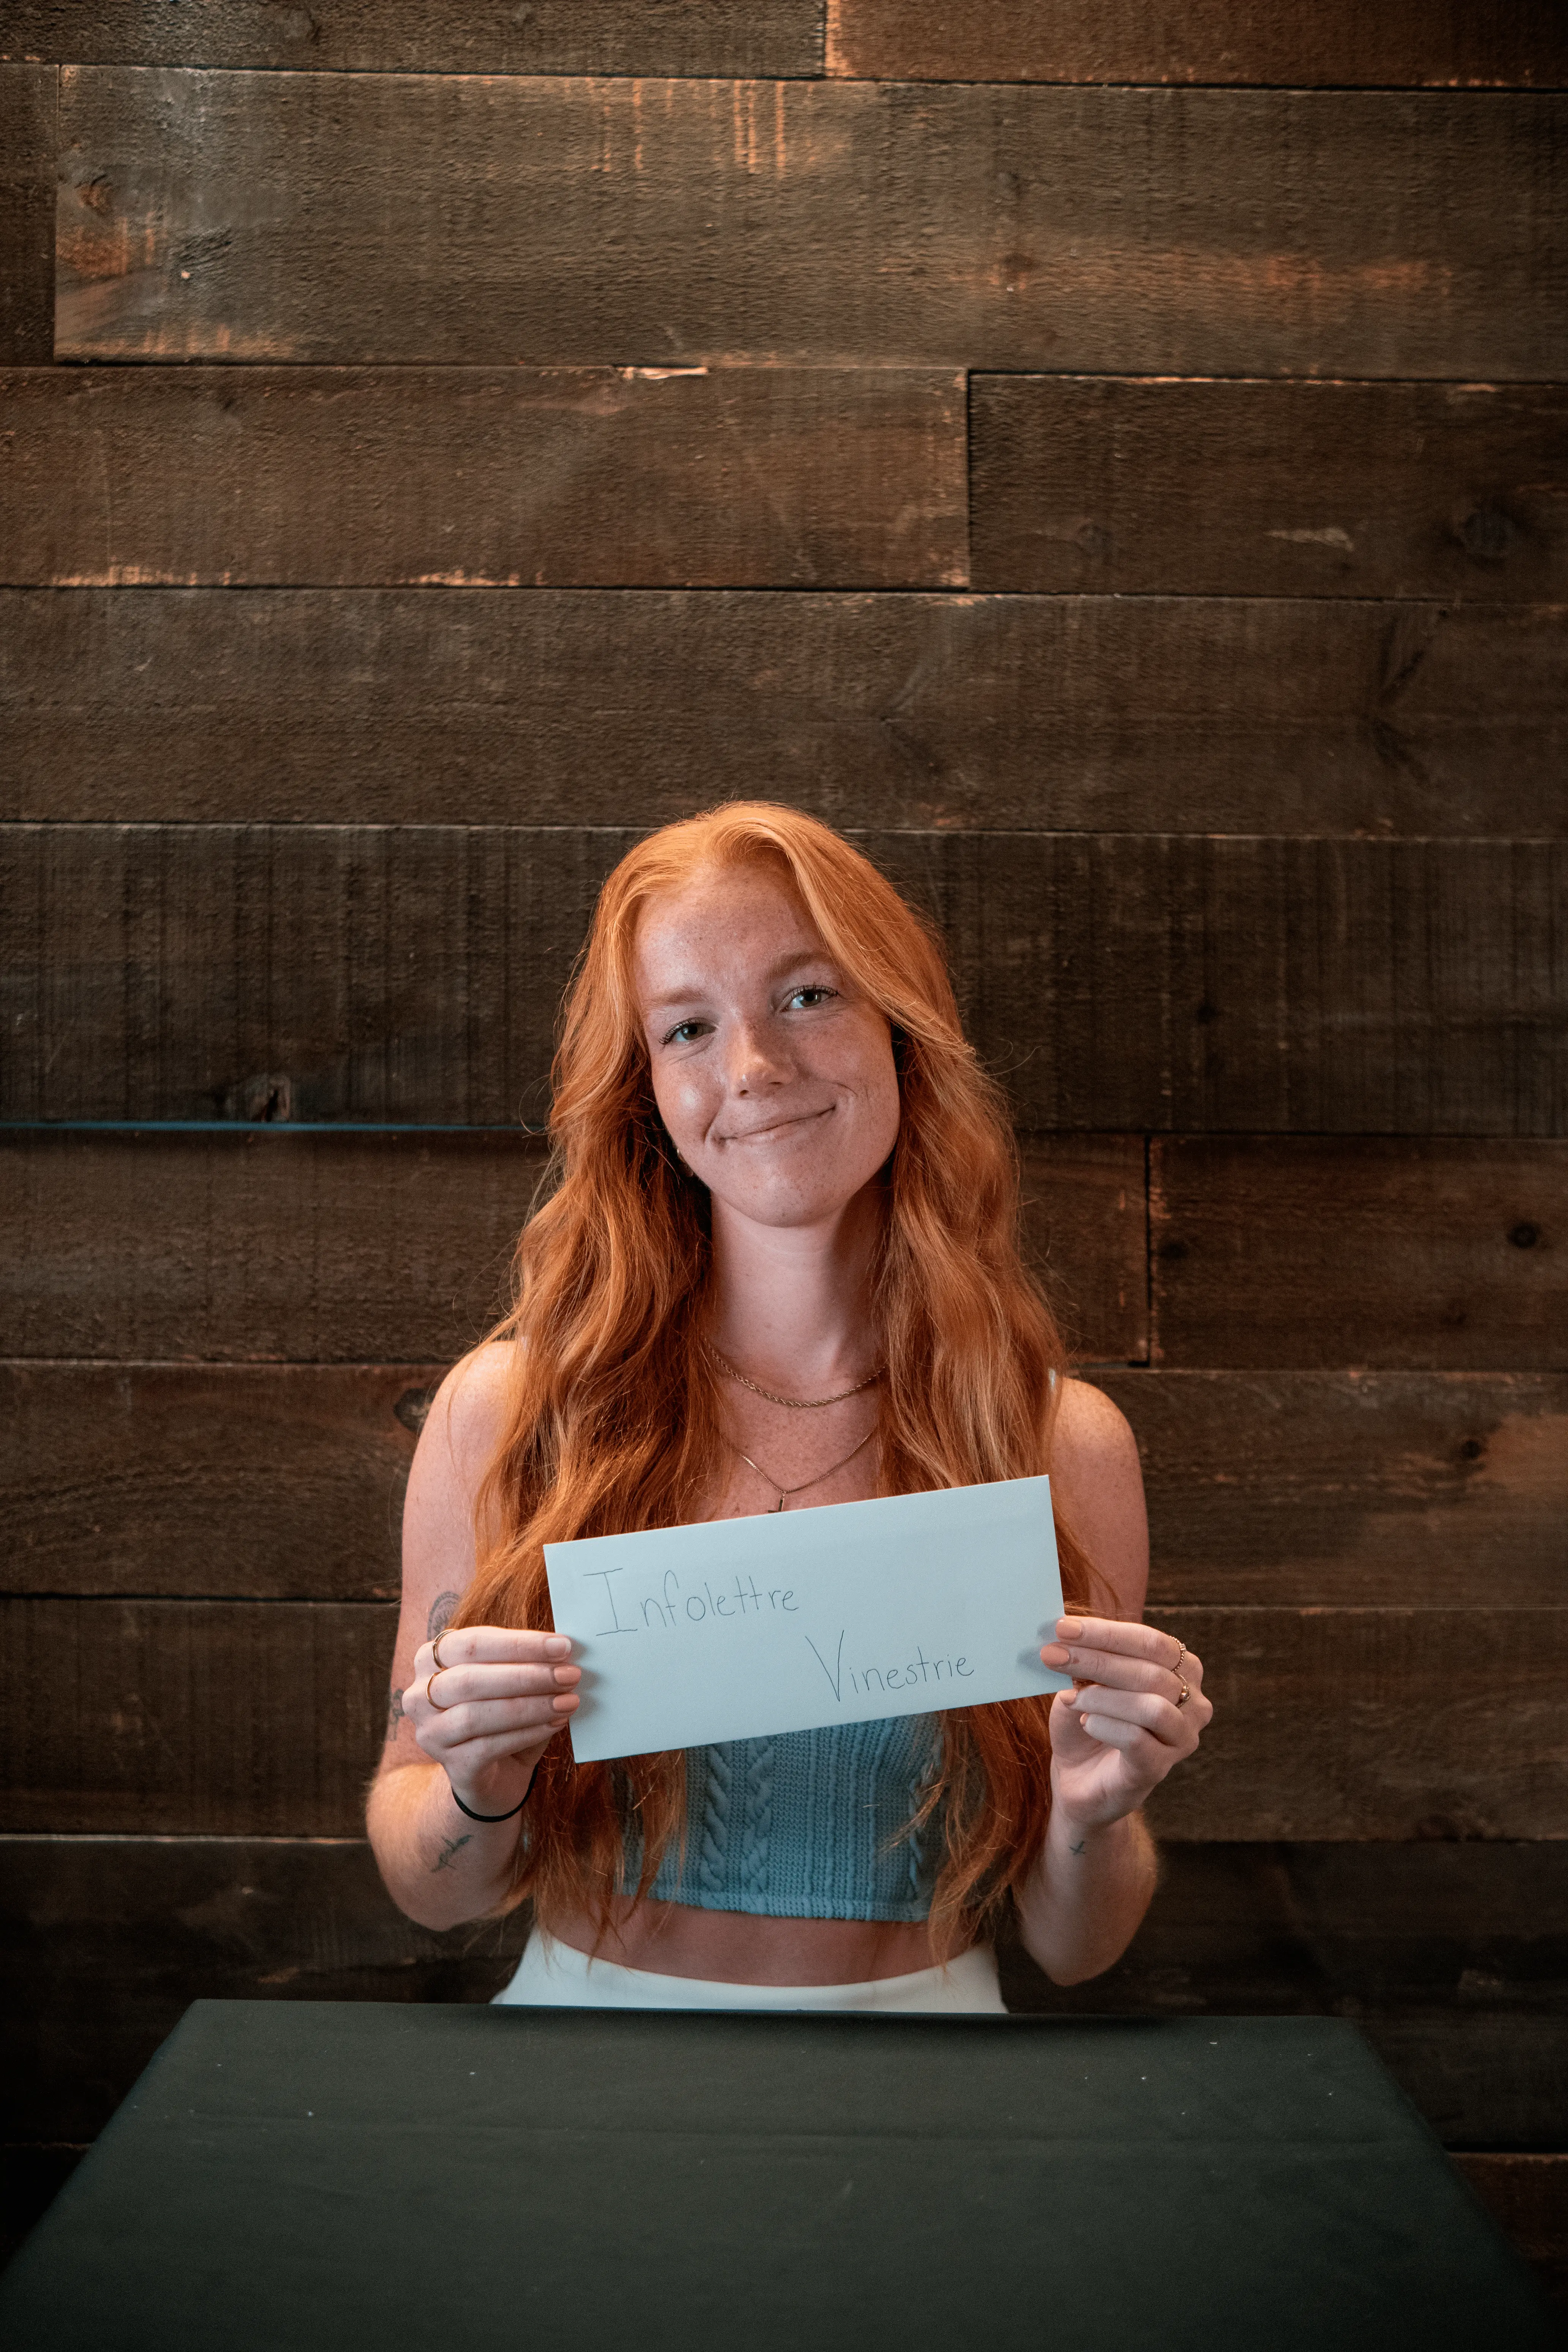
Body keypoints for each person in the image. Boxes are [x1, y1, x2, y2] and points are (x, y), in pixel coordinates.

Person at [367, 804, 1212, 2011]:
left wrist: (1095, 1812)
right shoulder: (509, 1412)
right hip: (585, 2047)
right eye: (688, 1028)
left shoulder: (1056, 1440)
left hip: (927, 2053)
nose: (754, 1067)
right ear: (645, 1092)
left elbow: (1080, 1948)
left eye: (808, 996)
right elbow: (430, 1891)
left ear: (901, 1033)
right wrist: (474, 1788)